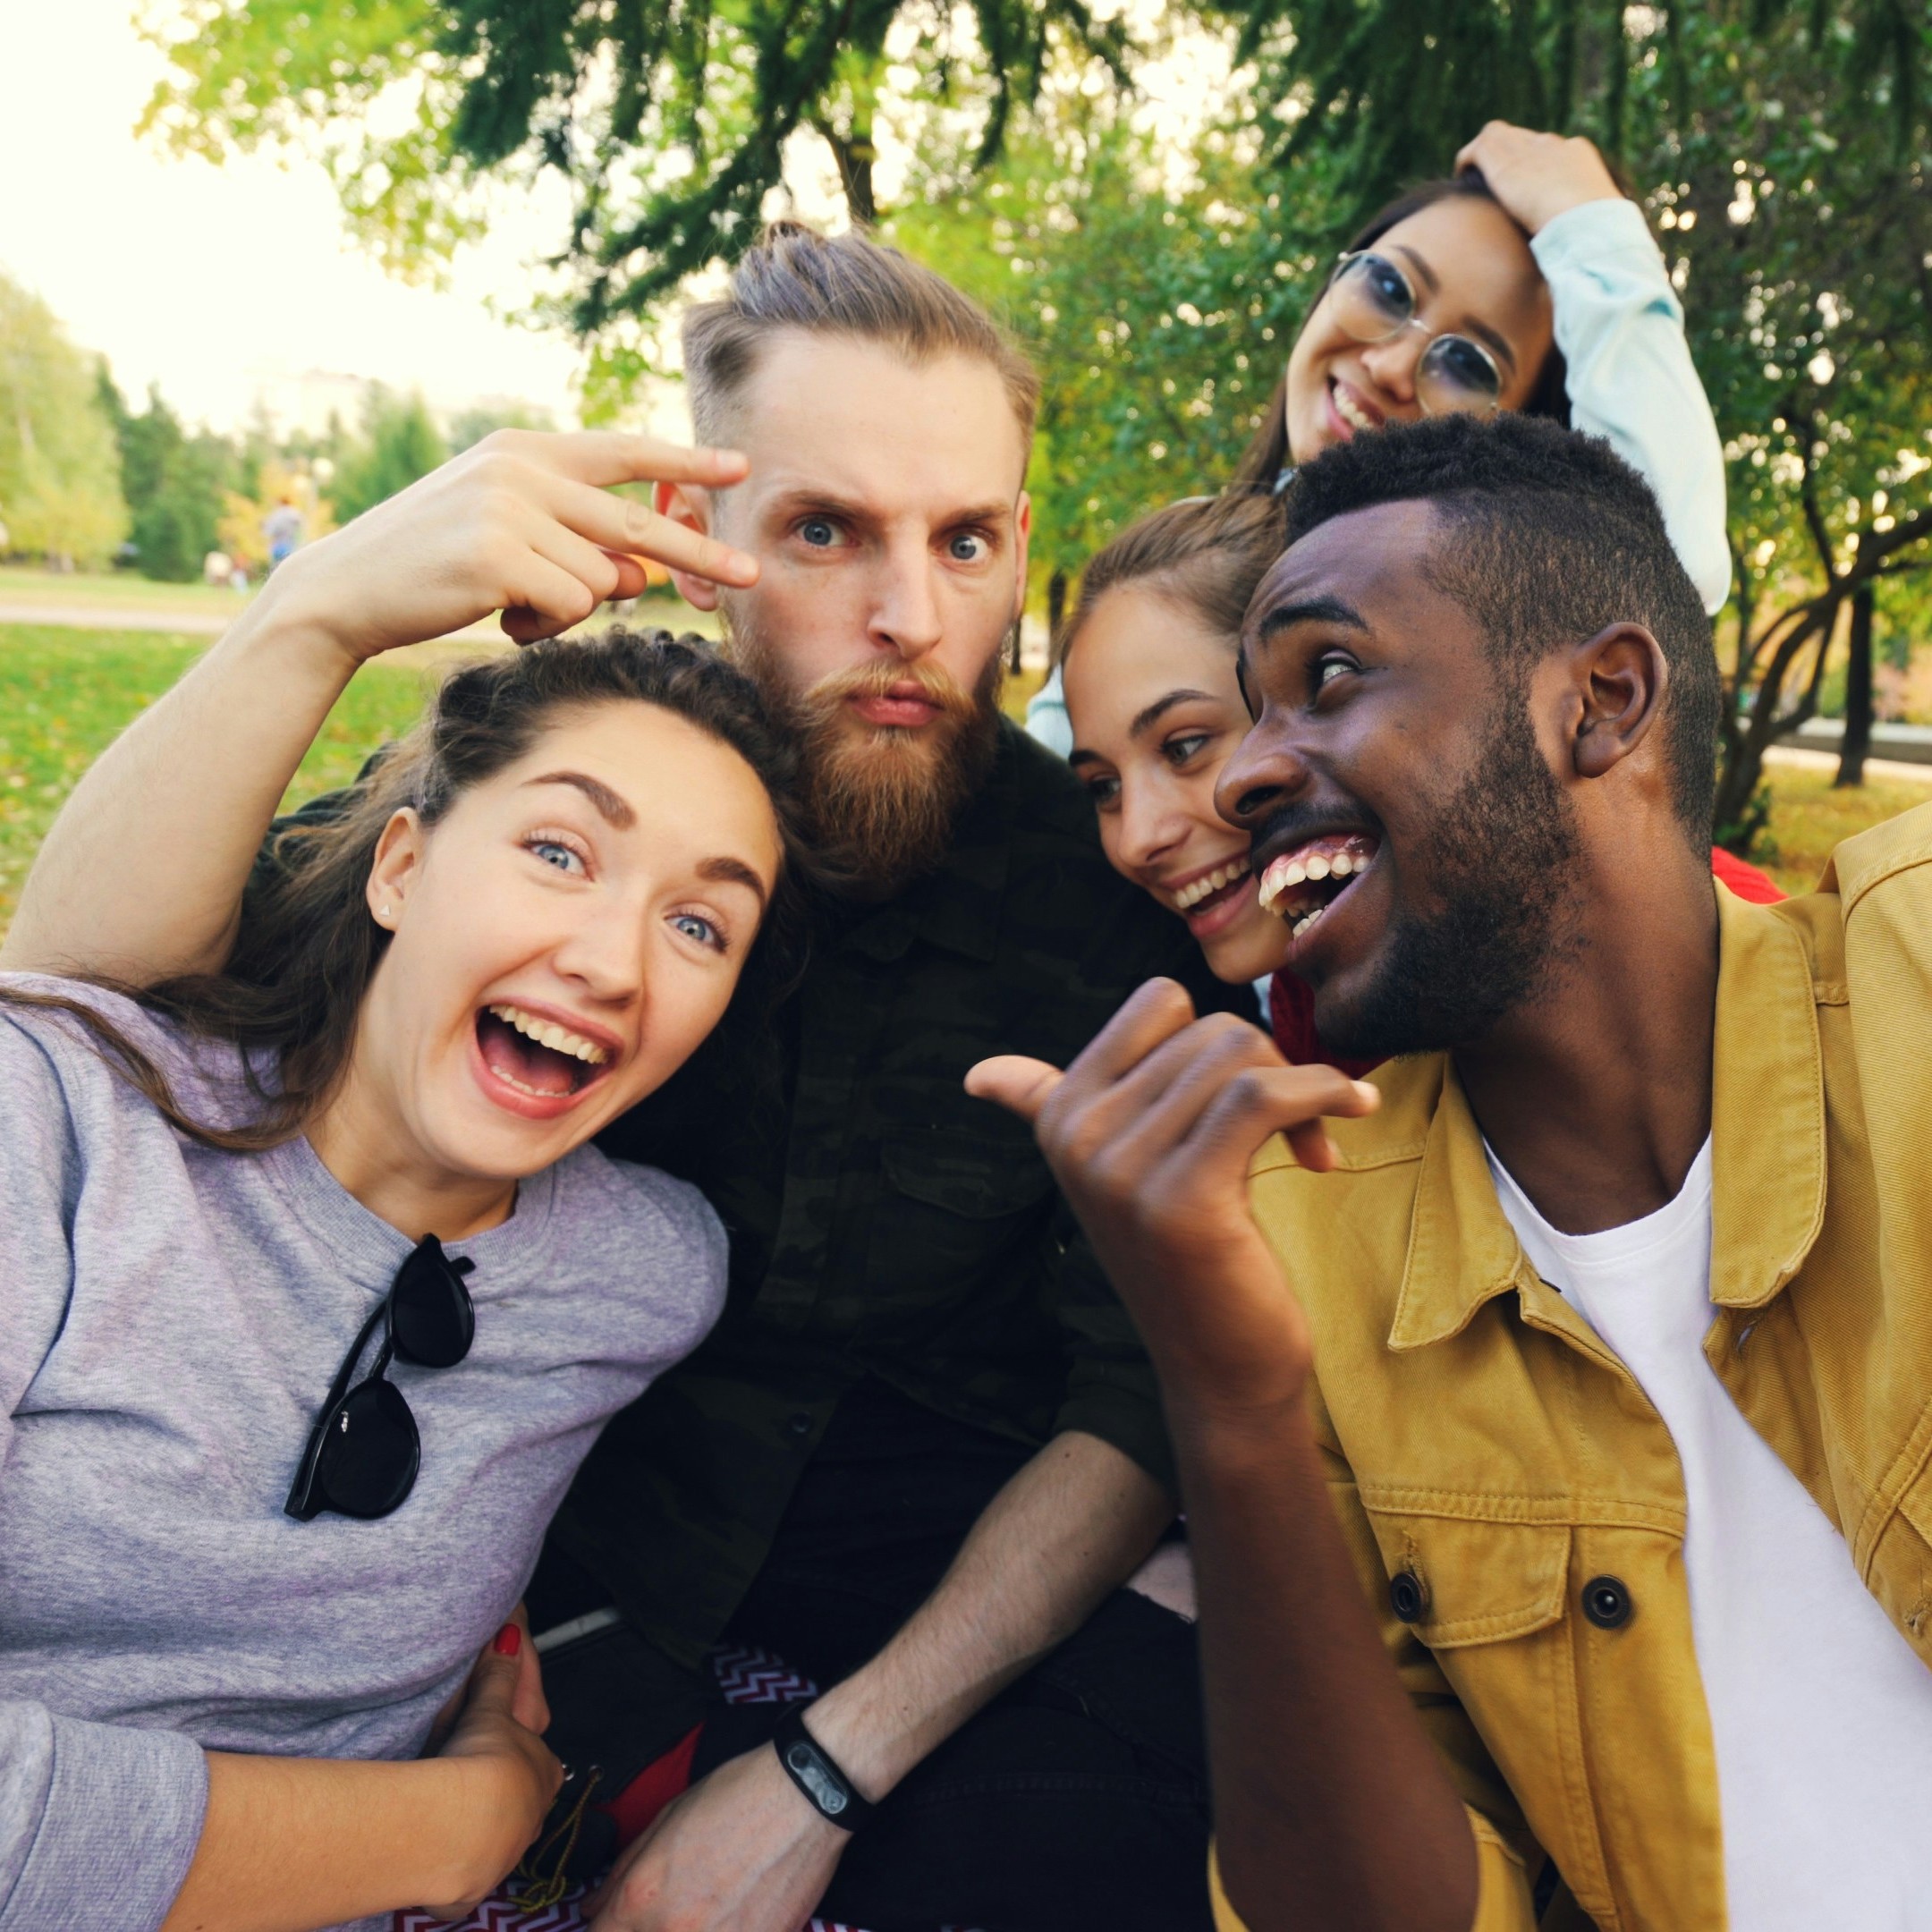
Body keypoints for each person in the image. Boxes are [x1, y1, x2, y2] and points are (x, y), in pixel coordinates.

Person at [14, 230, 1239, 1932]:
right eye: (827, 532)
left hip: (924, 1610)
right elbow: (85, 1016)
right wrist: (318, 609)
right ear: (698, 552)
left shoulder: (1101, 908)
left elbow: (1138, 1404)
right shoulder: (562, 802)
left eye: (967, 540)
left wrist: (829, 1769)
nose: (911, 615)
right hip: (527, 1608)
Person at [970, 412, 1932, 1932]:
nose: (1236, 784)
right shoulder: (1310, 1240)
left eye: (1326, 681)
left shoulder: (1909, 974)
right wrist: (1233, 1413)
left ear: (1601, 702)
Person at [0, 430, 806, 1932]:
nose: (613, 961)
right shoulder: (56, 1132)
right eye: (562, 851)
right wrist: (459, 1827)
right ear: (399, 869)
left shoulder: (651, 1279)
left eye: (703, 928)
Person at [1025, 120, 1733, 760]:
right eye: (1389, 289)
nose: (1390, 367)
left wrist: (1591, 225)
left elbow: (1668, 570)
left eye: (1468, 365)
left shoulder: (1502, 650)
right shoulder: (1173, 570)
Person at [1055, 491, 1778, 1067]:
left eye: (1185, 746)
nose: (1139, 838)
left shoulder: (1750, 961)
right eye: (1102, 788)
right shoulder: (1306, 1002)